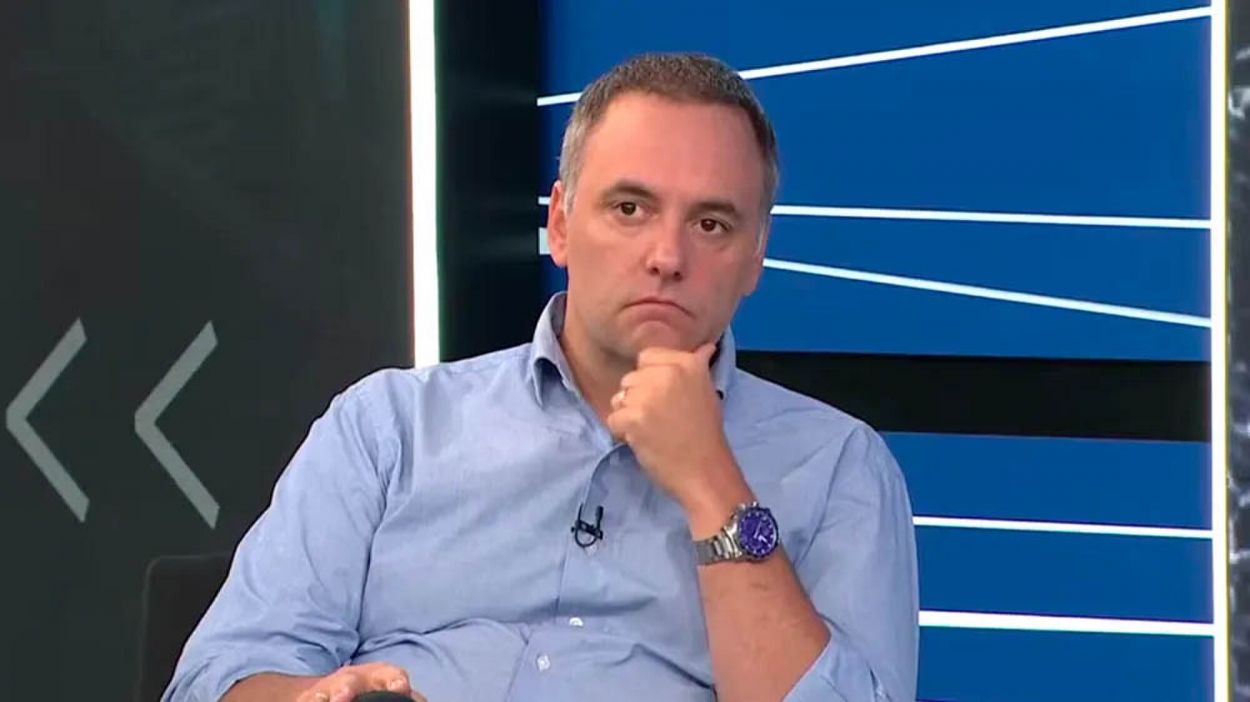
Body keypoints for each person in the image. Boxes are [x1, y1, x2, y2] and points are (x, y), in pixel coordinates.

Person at [163, 52, 917, 702]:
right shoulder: (389, 427)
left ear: (755, 257)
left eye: (711, 224)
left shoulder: (838, 467)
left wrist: (709, 481)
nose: (667, 256)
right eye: (630, 208)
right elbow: (217, 677)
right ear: (559, 224)